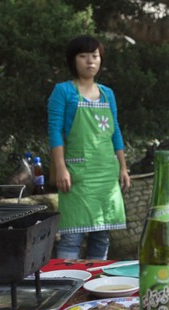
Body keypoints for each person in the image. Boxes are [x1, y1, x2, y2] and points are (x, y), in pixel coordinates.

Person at [47, 35, 131, 260]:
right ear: (73, 61)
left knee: (101, 234)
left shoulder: (107, 93)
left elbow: (116, 131)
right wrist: (61, 167)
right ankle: (67, 283)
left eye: (94, 56)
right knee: (72, 235)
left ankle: (96, 284)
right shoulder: (63, 91)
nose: (90, 61)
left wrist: (122, 167)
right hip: (77, 175)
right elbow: (55, 131)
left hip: (106, 174)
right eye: (83, 56)